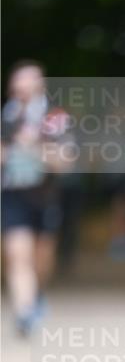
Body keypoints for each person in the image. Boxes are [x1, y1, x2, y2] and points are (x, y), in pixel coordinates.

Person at [1, 60, 69, 335]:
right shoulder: (6, 118)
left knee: (41, 260)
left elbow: (65, 162)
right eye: (18, 83)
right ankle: (24, 312)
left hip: (45, 196)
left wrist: (35, 146)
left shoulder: (55, 118)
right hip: (13, 195)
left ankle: (37, 294)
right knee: (18, 255)